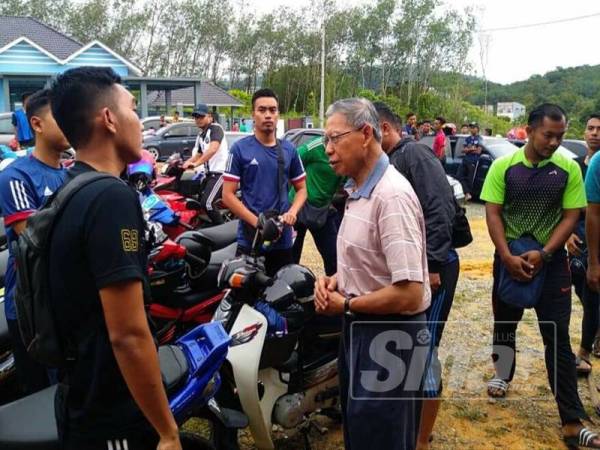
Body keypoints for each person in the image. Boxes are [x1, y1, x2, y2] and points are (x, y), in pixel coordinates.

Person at [48, 67, 180, 450]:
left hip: (78, 396)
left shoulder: (69, 189)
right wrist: (167, 431)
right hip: (111, 413)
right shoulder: (111, 198)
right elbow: (127, 334)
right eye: (133, 109)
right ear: (108, 119)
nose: (140, 122)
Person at [481, 103, 599, 447]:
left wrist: (546, 253)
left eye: (560, 136)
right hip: (509, 258)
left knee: (557, 338)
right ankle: (503, 373)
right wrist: (505, 256)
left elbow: (570, 215)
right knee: (505, 323)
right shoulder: (504, 167)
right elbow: (492, 212)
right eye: (548, 135)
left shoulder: (567, 168)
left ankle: (572, 421)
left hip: (552, 266)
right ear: (529, 131)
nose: (554, 142)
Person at [315, 98, 430, 450]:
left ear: (366, 133)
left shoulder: (391, 197)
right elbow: (369, 262)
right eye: (325, 141)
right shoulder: (357, 191)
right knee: (361, 429)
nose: (328, 150)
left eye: (335, 139)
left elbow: (410, 292)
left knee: (384, 435)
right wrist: (336, 279)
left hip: (390, 337)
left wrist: (346, 305)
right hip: (362, 328)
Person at [375, 101, 458, 449]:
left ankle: (422, 438)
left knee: (424, 352)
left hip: (433, 270)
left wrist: (434, 266)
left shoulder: (416, 157)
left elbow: (441, 209)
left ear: (382, 129)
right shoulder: (390, 162)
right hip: (413, 269)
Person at [0, 89, 69, 395]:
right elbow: (34, 241)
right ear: (37, 124)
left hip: (63, 302)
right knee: (40, 395)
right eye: (60, 116)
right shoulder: (16, 176)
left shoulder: (70, 175)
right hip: (32, 307)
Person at [222, 88, 307, 276]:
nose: (268, 115)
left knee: (280, 295)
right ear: (253, 114)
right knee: (245, 298)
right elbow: (227, 195)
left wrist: (292, 212)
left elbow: (302, 189)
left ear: (278, 114)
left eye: (273, 110)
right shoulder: (239, 149)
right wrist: (258, 223)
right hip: (250, 239)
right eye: (262, 110)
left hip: (282, 240)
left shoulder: (289, 150)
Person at [569, 115, 600, 369]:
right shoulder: (574, 166)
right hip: (580, 235)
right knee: (585, 286)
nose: (595, 133)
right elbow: (564, 205)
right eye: (591, 128)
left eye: (599, 129)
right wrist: (567, 234)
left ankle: (586, 348)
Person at [290, 136, 344, 275]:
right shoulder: (315, 147)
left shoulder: (348, 152)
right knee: (291, 257)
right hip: (298, 206)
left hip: (322, 210)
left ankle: (333, 291)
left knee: (334, 257)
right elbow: (292, 160)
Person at [182, 103, 229, 224]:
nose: (198, 119)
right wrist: (185, 163)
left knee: (207, 203)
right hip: (209, 174)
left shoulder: (215, 129)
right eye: (196, 117)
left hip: (220, 174)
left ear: (209, 117)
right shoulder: (201, 135)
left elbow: (213, 149)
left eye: (201, 116)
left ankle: (222, 230)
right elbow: (198, 153)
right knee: (196, 199)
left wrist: (196, 164)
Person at [456, 122, 483, 202]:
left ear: (477, 129)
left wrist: (469, 149)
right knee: (459, 176)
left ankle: (467, 194)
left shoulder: (480, 139)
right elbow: (463, 150)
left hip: (473, 161)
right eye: (471, 127)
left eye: (474, 127)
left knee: (470, 179)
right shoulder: (467, 138)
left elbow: (478, 151)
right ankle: (467, 193)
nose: (472, 129)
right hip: (465, 160)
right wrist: (471, 149)